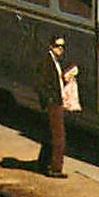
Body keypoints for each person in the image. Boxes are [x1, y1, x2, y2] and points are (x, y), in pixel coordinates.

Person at [32, 35, 71, 178]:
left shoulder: (54, 61)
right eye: (57, 46)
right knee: (58, 137)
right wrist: (50, 100)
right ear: (51, 46)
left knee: (50, 134)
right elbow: (40, 83)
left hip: (55, 101)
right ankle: (55, 168)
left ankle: (43, 164)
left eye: (62, 46)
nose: (60, 49)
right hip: (53, 104)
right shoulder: (47, 62)